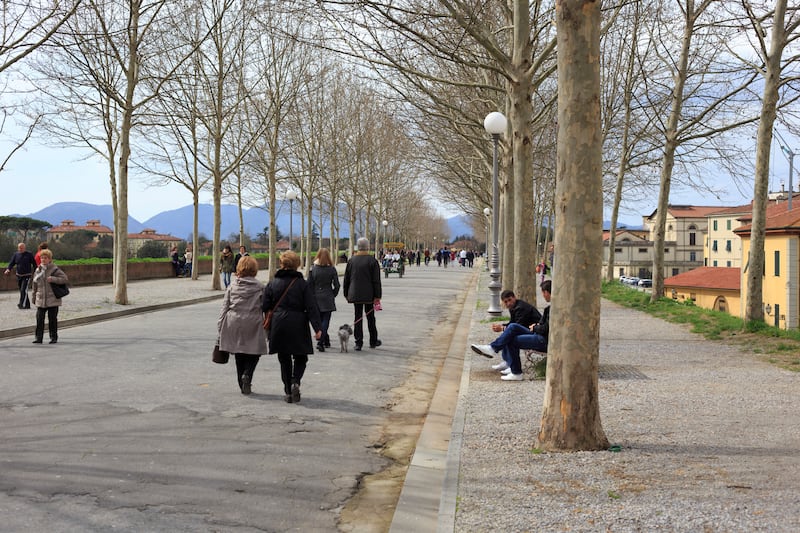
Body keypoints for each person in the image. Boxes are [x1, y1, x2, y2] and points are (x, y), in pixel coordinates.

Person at [263, 251, 322, 403]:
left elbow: (265, 305)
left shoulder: (272, 283)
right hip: (298, 322)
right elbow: (311, 306)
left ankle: (288, 390)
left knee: (284, 359)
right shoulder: (302, 284)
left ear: (281, 264)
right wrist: (317, 328)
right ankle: (296, 380)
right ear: (297, 265)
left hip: (278, 324)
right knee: (301, 357)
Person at [471, 281, 551, 381]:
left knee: (511, 331)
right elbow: (516, 323)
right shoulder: (516, 307)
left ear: (546, 292)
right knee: (510, 332)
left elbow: (544, 328)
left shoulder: (522, 307)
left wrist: (535, 327)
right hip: (537, 334)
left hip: (542, 338)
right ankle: (509, 364)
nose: (508, 303)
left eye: (509, 300)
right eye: (506, 302)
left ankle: (500, 356)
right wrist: (503, 326)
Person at [217, 256, 267, 395]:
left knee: (239, 353)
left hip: (234, 321)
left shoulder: (232, 286)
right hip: (253, 321)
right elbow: (265, 306)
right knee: (255, 352)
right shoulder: (260, 287)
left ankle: (241, 381)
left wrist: (220, 326)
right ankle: (248, 374)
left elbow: (224, 307)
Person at [343, 237, 382, 351]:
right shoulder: (372, 261)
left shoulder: (352, 260)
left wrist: (346, 293)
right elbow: (376, 280)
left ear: (357, 247)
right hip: (369, 294)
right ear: (368, 247)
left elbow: (347, 279)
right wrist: (377, 296)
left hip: (355, 293)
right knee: (370, 317)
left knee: (357, 317)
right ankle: (373, 340)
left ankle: (358, 342)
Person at [30, 249, 68, 344]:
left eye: (45, 258)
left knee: (52, 320)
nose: (43, 260)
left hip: (53, 299)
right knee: (39, 319)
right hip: (41, 298)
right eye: (42, 258)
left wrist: (53, 279)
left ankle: (53, 337)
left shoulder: (55, 269)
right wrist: (33, 297)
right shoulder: (38, 270)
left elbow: (64, 279)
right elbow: (34, 285)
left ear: (50, 259)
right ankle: (39, 338)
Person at [308, 248, 340, 352]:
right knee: (325, 320)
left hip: (315, 297)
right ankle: (322, 341)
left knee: (319, 320)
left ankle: (323, 340)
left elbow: (309, 285)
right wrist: (332, 294)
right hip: (327, 296)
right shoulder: (331, 269)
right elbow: (337, 285)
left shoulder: (313, 269)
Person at [4, 242, 36, 309]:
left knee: (23, 290)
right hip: (19, 275)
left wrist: (37, 271)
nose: (20, 249)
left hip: (27, 275)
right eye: (19, 248)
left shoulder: (29, 254)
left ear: (25, 248)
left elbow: (34, 263)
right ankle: (27, 305)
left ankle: (22, 304)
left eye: (22, 248)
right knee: (22, 290)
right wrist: (8, 269)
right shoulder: (16, 255)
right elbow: (12, 263)